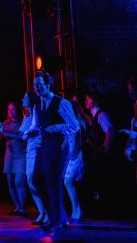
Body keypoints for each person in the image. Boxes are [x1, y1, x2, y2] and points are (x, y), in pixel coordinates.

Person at [23, 71, 79, 232]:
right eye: (35, 85)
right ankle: (59, 217)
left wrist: (56, 127)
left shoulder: (61, 102)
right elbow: (36, 125)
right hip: (44, 146)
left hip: (58, 146)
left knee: (53, 181)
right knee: (37, 178)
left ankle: (56, 220)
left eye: (40, 84)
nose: (37, 87)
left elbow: (74, 125)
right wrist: (28, 133)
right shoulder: (37, 105)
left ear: (48, 85)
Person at [0, 101, 27, 216]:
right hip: (9, 157)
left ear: (18, 110)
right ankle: (18, 207)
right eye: (9, 110)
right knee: (11, 183)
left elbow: (19, 137)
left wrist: (5, 132)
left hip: (21, 156)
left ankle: (23, 209)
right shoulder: (6, 124)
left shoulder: (24, 122)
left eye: (13, 109)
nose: (10, 112)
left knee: (19, 182)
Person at [16, 92, 49, 226]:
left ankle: (46, 212)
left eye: (25, 97)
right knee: (31, 181)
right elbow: (20, 134)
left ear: (31, 99)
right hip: (30, 148)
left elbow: (37, 128)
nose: (22, 99)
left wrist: (27, 134)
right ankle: (42, 212)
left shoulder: (37, 109)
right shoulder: (27, 115)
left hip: (37, 146)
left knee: (33, 179)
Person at [63, 92, 87, 222]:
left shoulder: (78, 122)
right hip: (71, 154)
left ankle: (77, 210)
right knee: (68, 182)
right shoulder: (70, 122)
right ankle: (75, 210)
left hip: (76, 154)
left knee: (68, 181)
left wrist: (73, 153)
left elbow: (79, 139)